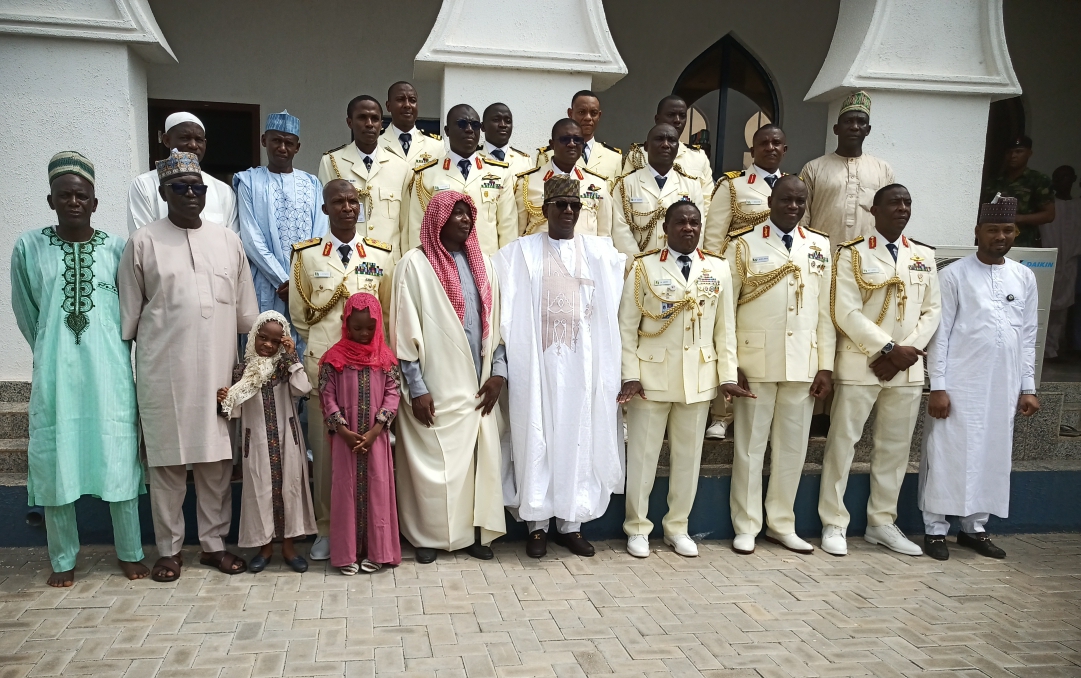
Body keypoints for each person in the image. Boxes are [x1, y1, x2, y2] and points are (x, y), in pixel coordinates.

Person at [119, 150, 259, 581]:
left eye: (197, 188)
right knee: (168, 466)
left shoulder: (227, 241)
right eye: (180, 188)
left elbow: (247, 317)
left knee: (217, 463)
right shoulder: (143, 242)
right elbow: (128, 319)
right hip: (165, 374)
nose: (191, 195)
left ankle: (214, 545)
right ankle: (169, 550)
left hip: (218, 372)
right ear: (164, 193)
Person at [11, 151, 148, 587]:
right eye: (64, 195)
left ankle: (130, 552)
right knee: (57, 462)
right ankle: (63, 558)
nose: (73, 202)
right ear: (50, 200)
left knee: (118, 458)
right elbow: (28, 313)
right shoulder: (28, 247)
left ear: (94, 201)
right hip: (55, 377)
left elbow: (131, 311)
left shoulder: (116, 248)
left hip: (109, 376)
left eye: (81, 195)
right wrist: (53, 350)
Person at [495, 176, 626, 559]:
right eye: (560, 205)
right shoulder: (520, 253)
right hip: (536, 365)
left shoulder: (600, 253)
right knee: (536, 434)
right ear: (544, 209)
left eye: (574, 206)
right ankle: (536, 525)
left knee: (578, 437)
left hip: (582, 366)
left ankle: (571, 523)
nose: (568, 211)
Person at [617, 202, 752, 558]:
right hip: (651, 378)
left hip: (698, 379)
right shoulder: (645, 267)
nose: (688, 228)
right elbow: (627, 327)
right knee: (643, 459)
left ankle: (678, 527)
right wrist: (629, 375)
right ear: (666, 227)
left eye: (694, 222)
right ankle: (637, 528)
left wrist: (725, 377)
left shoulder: (718, 268)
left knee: (688, 459)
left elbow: (726, 331)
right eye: (681, 222)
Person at [818, 184, 941, 557]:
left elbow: (932, 311)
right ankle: (834, 522)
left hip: (906, 369)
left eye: (907, 202)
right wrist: (888, 349)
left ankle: (881, 522)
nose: (902, 208)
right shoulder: (852, 254)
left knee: (895, 448)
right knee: (843, 443)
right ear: (874, 210)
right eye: (894, 203)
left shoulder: (922, 255)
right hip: (862, 363)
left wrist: (906, 353)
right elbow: (845, 311)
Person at [919, 195, 1040, 561]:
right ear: (978, 232)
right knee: (946, 453)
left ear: (1014, 232)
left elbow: (1029, 335)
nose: (1000, 236)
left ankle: (974, 528)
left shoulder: (1024, 276)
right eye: (993, 229)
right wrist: (937, 387)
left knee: (992, 453)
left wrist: (1028, 387)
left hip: (1002, 386)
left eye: (1007, 229)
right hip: (959, 383)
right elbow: (940, 336)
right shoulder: (953, 275)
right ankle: (935, 529)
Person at [391, 191, 507, 564]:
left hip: (478, 385)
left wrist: (499, 374)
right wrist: (418, 388)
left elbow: (499, 326)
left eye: (468, 214)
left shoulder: (484, 265)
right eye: (456, 213)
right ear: (437, 218)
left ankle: (472, 535)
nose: (464, 219)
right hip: (434, 387)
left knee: (475, 468)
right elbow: (403, 333)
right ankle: (429, 537)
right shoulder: (415, 264)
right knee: (432, 469)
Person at [724, 175, 835, 555]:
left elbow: (825, 312)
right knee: (750, 448)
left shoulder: (819, 246)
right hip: (755, 362)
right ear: (770, 200)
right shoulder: (743, 244)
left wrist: (825, 366)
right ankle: (746, 525)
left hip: (802, 364)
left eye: (799, 201)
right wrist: (730, 363)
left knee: (792, 449)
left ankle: (781, 524)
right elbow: (726, 310)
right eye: (786, 199)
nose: (793, 207)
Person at [290, 179, 394, 561]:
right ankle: (327, 529)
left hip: (369, 375)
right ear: (325, 209)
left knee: (372, 454)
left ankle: (368, 531)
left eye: (353, 201)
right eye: (338, 202)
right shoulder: (308, 256)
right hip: (328, 374)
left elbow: (384, 313)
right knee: (328, 456)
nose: (347, 208)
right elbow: (301, 318)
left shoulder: (380, 254)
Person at [702, 123, 789, 440]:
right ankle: (721, 414)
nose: (770, 148)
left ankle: (763, 413)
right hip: (736, 275)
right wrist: (713, 277)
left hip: (776, 282)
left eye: (776, 143)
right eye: (763, 143)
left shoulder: (793, 187)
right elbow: (713, 237)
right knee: (729, 340)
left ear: (785, 150)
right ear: (752, 150)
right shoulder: (734, 185)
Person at [218, 311, 315, 573]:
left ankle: (289, 547)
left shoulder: (284, 367)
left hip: (287, 440)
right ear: (253, 337)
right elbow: (234, 409)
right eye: (262, 338)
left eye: (275, 341)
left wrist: (293, 356)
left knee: (290, 490)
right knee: (260, 492)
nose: (268, 345)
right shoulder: (244, 370)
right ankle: (265, 548)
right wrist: (225, 397)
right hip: (257, 443)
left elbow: (303, 388)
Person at [318, 293, 401, 575]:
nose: (364, 333)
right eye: (357, 328)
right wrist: (342, 430)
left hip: (375, 440)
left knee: (377, 492)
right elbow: (326, 396)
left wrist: (376, 429)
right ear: (346, 324)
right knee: (345, 491)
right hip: (346, 441)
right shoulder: (333, 359)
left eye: (370, 328)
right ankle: (346, 555)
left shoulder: (386, 359)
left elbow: (393, 395)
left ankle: (378, 553)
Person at [234, 110, 326, 354]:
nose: (282, 147)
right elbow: (251, 238)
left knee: (301, 350)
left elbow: (320, 232)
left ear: (298, 147)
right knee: (263, 347)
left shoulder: (312, 184)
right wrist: (283, 280)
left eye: (289, 142)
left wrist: (299, 281)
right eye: (276, 140)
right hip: (266, 283)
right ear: (264, 140)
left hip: (305, 282)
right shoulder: (248, 181)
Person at [402, 104, 517, 254]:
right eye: (462, 124)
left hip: (488, 264)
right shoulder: (426, 175)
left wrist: (504, 269)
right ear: (447, 131)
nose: (469, 129)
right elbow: (418, 226)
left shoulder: (500, 172)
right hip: (442, 264)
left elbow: (508, 227)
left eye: (475, 125)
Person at [798, 91, 895, 248]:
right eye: (848, 121)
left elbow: (889, 217)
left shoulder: (883, 170)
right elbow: (802, 217)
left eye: (861, 122)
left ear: (868, 130)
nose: (854, 127)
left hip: (868, 259)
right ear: (836, 129)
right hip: (822, 258)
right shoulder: (813, 168)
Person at [318, 95, 410, 260]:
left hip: (389, 262)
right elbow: (324, 218)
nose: (369, 124)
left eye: (375, 119)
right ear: (349, 122)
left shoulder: (401, 166)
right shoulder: (332, 162)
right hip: (347, 260)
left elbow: (407, 224)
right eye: (362, 118)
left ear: (381, 124)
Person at [128, 111, 238, 234]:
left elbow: (231, 241)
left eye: (199, 140)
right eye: (185, 138)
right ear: (166, 140)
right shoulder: (144, 184)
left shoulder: (223, 190)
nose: (193, 145)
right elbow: (141, 240)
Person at [612, 124, 704, 259]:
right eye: (659, 139)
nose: (666, 145)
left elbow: (698, 231)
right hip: (637, 268)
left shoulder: (692, 186)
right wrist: (638, 265)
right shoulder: (626, 184)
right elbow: (620, 230)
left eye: (671, 140)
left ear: (677, 147)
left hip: (678, 268)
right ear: (646, 146)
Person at [515, 118, 612, 237]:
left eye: (577, 140)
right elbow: (517, 233)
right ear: (552, 144)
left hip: (584, 254)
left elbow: (604, 235)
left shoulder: (598, 184)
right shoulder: (528, 182)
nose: (572, 144)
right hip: (541, 253)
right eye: (565, 139)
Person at [625, 96, 714, 217]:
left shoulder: (698, 157)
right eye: (671, 115)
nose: (677, 120)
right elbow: (625, 197)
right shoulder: (637, 155)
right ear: (657, 119)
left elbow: (707, 203)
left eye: (682, 116)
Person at [535, 91, 623, 191]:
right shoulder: (548, 154)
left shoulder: (614, 157)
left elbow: (615, 200)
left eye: (593, 113)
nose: (588, 118)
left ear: (599, 115)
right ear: (570, 113)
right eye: (582, 112)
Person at [981, 137, 1054, 247]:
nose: (1013, 156)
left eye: (1019, 151)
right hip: (993, 242)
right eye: (1009, 152)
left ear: (1029, 153)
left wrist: (1018, 218)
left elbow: (1049, 215)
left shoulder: (1038, 180)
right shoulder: (995, 181)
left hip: (1023, 242)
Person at [1044, 166, 1081, 359]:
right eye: (1057, 177)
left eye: (1066, 177)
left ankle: (1053, 348)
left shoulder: (1077, 205)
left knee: (1063, 308)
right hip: (1049, 261)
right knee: (1044, 305)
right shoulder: (1048, 204)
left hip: (1070, 262)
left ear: (1073, 179)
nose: (1062, 181)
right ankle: (1041, 348)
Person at [379, 81, 444, 169]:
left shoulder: (435, 145)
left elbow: (442, 179)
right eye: (400, 99)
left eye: (412, 100)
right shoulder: (376, 142)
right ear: (388, 106)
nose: (407, 105)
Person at [480, 103, 533, 177]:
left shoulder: (524, 161)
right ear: (483, 127)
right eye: (496, 120)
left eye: (508, 121)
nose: (503, 125)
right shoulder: (472, 158)